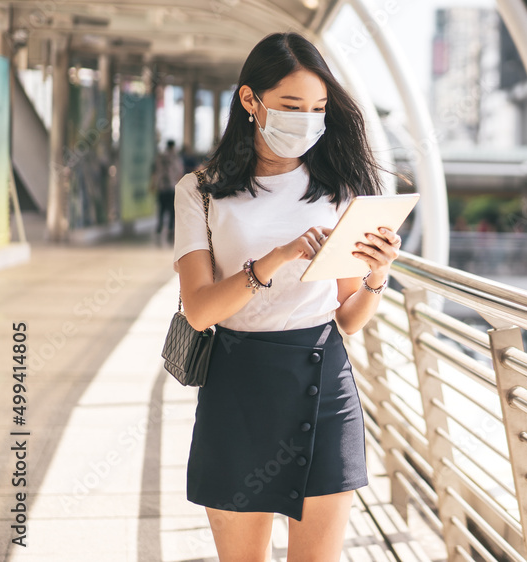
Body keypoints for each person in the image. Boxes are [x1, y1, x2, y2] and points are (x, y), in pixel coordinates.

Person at [172, 32, 400, 562]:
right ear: (250, 101)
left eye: (318, 108)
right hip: (237, 383)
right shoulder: (200, 191)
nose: (307, 120)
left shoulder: (339, 189)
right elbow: (199, 310)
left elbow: (348, 320)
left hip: (323, 382)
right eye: (291, 106)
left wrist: (376, 276)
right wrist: (274, 260)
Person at [153, 139, 184, 244]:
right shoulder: (175, 157)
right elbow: (179, 171)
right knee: (172, 210)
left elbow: (155, 169)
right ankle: (171, 229)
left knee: (161, 208)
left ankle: (160, 226)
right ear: (173, 146)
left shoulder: (160, 156)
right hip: (172, 186)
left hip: (161, 186)